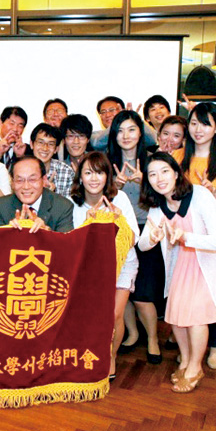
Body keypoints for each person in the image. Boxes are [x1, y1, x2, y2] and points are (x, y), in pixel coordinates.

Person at [138, 153, 216, 393]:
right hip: (182, 263)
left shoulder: (199, 195)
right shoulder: (158, 206)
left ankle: (195, 366)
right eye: (153, 174)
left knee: (196, 317)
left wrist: (185, 237)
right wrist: (153, 237)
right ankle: (186, 360)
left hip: (210, 262)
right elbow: (143, 244)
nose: (159, 178)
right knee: (176, 316)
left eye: (164, 171)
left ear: (176, 173)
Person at [171, 103, 216, 369]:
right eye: (193, 123)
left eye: (205, 123)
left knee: (212, 292)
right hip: (182, 233)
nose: (198, 129)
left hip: (212, 235)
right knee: (185, 293)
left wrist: (212, 191)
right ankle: (190, 350)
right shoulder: (178, 157)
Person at [70, 152, 139, 381]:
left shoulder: (119, 199)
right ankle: (91, 353)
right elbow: (72, 243)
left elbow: (134, 238)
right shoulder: (73, 203)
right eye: (88, 172)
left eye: (99, 172)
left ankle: (111, 356)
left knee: (113, 314)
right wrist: (89, 224)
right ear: (80, 177)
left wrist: (118, 221)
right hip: (89, 270)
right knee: (91, 315)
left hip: (122, 264)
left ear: (107, 176)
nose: (93, 178)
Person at [107, 110, 164, 365]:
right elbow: (99, 197)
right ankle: (132, 333)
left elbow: (166, 196)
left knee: (143, 292)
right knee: (123, 288)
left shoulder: (153, 161)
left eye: (131, 129)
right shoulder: (107, 163)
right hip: (118, 232)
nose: (125, 136)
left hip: (148, 230)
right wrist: (114, 187)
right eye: (120, 131)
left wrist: (146, 181)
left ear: (141, 132)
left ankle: (152, 339)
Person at [0, 156, 74, 233]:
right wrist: (8, 233)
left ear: (44, 180)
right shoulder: (2, 205)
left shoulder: (62, 207)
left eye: (32, 179)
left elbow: (66, 245)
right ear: (12, 183)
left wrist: (47, 232)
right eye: (20, 180)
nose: (26, 186)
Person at [30, 123, 74, 198]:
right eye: (41, 142)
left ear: (56, 149)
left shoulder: (66, 172)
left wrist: (51, 196)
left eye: (50, 144)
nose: (45, 148)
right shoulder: (21, 169)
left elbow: (69, 207)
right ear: (31, 144)